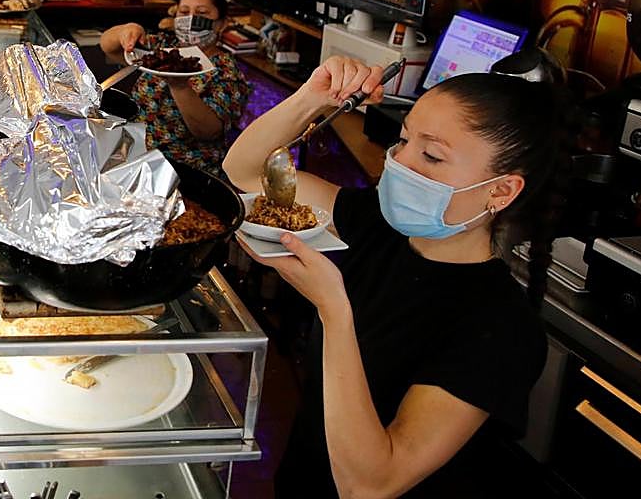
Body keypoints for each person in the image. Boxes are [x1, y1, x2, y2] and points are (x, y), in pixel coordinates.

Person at [223, 58, 555, 498]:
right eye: (402, 140)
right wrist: (313, 98)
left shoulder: (501, 328)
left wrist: (334, 310)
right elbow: (244, 172)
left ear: (501, 191)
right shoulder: (376, 225)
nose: (398, 162)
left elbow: (371, 485)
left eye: (432, 155)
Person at [99, 0, 247, 175]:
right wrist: (126, 30)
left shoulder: (226, 71)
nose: (191, 19)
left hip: (187, 172)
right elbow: (108, 47)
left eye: (202, 13)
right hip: (136, 158)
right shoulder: (163, 46)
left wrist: (179, 86)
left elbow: (209, 131)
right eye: (184, 12)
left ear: (221, 23)